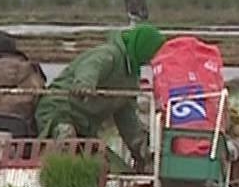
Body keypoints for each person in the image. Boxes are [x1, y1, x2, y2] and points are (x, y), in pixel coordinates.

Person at [34, 22, 166, 166]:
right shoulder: (109, 54)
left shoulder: (131, 79)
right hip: (59, 112)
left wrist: (141, 150)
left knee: (114, 167)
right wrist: (85, 84)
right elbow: (91, 67)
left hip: (84, 127)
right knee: (67, 140)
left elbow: (127, 120)